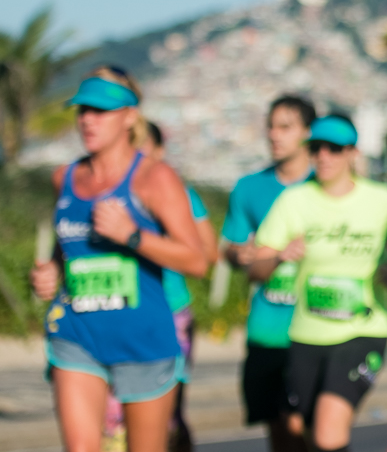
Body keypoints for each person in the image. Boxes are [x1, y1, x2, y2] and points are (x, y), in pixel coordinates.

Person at [29, 69, 209, 452]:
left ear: (129, 116)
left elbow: (197, 260)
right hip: (77, 335)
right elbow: (66, 251)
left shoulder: (154, 178)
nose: (88, 120)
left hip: (142, 340)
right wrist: (50, 272)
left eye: (101, 111)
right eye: (82, 111)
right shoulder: (67, 177)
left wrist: (131, 236)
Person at [249, 115, 387, 452]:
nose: (323, 156)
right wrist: (279, 257)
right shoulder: (294, 200)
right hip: (307, 334)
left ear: (352, 153)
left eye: (334, 149)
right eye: (316, 148)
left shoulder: (383, 200)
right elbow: (256, 269)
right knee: (295, 430)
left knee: (328, 432)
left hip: (364, 330)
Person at [222, 94, 317, 452]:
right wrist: (239, 254)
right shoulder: (249, 188)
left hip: (316, 329)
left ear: (308, 133)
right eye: (271, 126)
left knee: (309, 428)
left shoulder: (324, 187)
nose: (274, 135)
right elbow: (229, 248)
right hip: (267, 329)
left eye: (285, 127)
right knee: (279, 431)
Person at [145, 121, 219, 452]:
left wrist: (154, 243)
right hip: (117, 313)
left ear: (160, 152)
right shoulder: (102, 192)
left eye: (143, 147)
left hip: (170, 312)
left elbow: (209, 254)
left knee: (168, 415)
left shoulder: (180, 195)